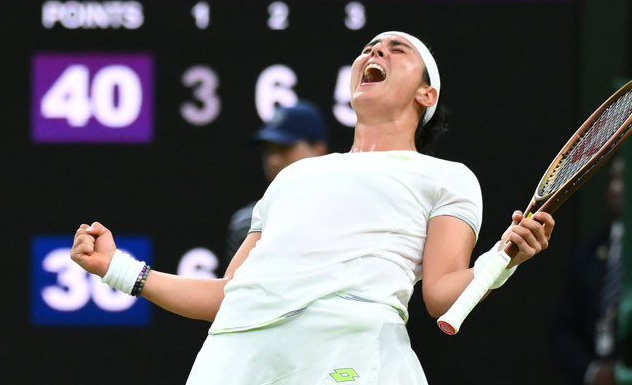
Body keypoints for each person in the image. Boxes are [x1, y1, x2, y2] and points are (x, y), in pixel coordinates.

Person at [70, 31, 555, 384]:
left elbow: (443, 295)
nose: (374, 52)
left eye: (396, 48)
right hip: (238, 358)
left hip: (350, 354)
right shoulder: (293, 177)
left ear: (426, 95)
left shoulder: (447, 178)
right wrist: (118, 269)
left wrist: (501, 263)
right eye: (368, 48)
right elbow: (228, 295)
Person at [549, 157, 624, 385]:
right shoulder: (589, 250)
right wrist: (591, 371)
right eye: (612, 179)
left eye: (623, 179)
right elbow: (562, 328)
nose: (615, 187)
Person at [225, 101, 328, 265]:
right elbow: (235, 288)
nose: (273, 160)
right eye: (269, 149)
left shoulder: (348, 212)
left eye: (284, 148)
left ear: (318, 149)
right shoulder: (246, 223)